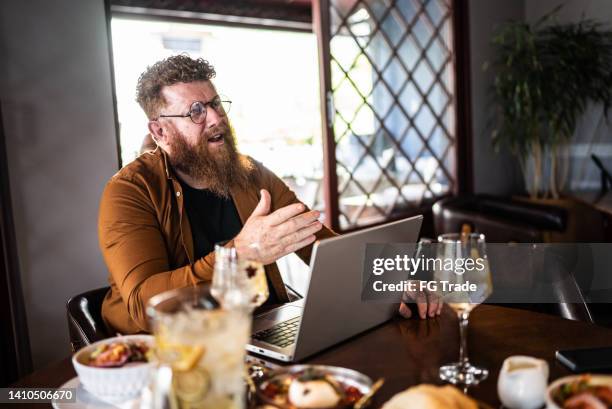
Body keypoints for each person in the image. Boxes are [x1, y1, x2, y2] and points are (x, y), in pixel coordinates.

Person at [98, 55, 439, 334]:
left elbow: (321, 246)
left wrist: (389, 280)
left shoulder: (249, 173)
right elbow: (143, 305)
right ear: (160, 131)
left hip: (262, 330)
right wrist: (240, 255)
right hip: (178, 348)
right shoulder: (129, 192)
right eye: (196, 112)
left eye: (216, 104)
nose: (217, 118)